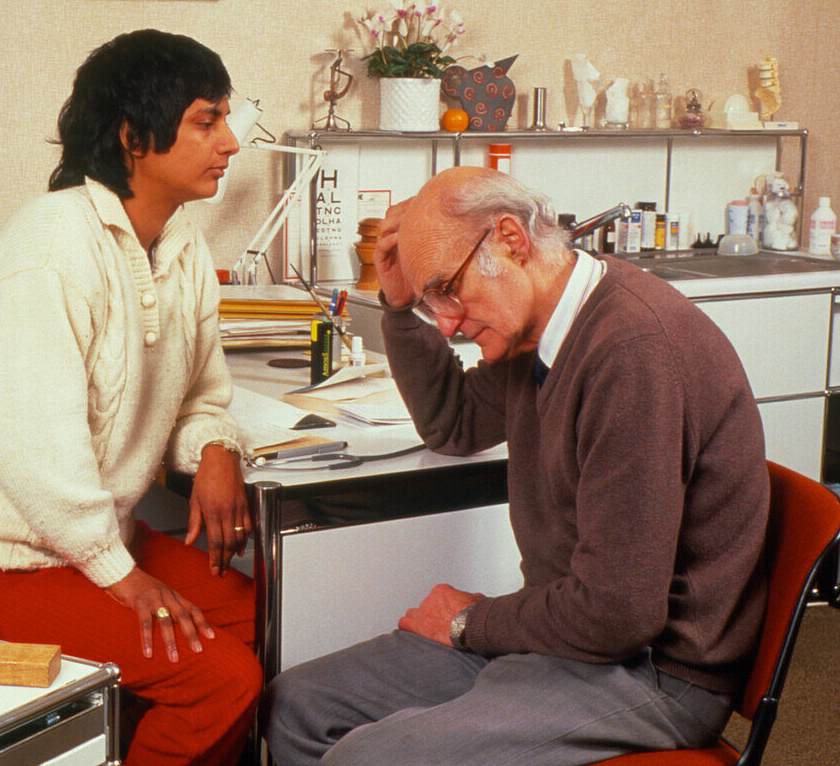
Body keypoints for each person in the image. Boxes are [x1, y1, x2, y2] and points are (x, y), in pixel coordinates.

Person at [262, 167, 770, 766]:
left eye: (447, 289)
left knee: (365, 758)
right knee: (295, 705)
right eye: (432, 302)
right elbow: (453, 422)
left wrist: (470, 623)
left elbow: (619, 615)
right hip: (567, 635)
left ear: (511, 239)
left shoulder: (631, 351)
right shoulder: (540, 328)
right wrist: (398, 309)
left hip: (653, 673)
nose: (446, 322)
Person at [0, 30, 262, 766]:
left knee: (264, 620)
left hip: (87, 542)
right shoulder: (51, 248)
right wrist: (122, 577)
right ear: (134, 136)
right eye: (205, 120)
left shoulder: (182, 245)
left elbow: (200, 390)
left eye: (226, 116)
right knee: (224, 678)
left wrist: (216, 447)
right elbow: (33, 447)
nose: (229, 141)